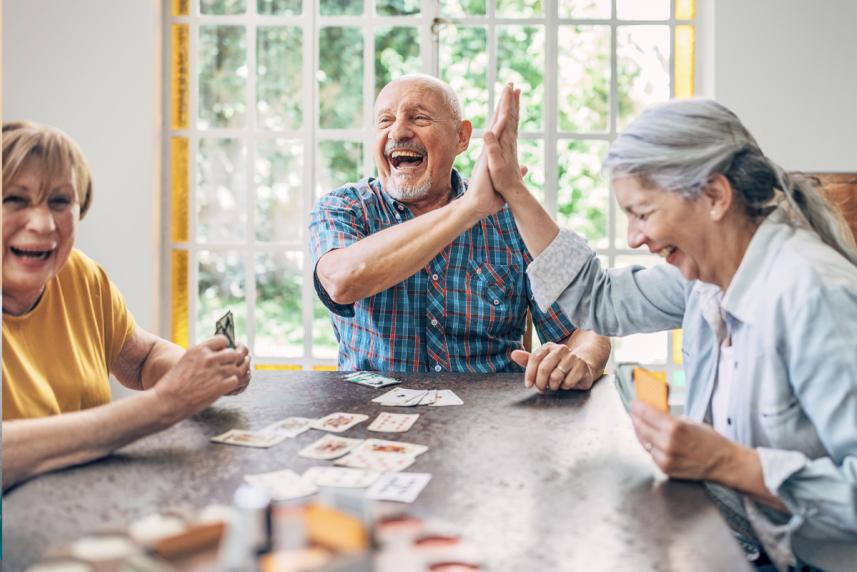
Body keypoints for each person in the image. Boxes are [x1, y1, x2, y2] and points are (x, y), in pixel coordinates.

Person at [480, 86, 857, 569]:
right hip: (743, 545)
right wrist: (513, 188)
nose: (635, 238)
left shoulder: (814, 295)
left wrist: (726, 463)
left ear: (716, 196)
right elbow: (599, 299)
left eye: (643, 213)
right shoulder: (706, 281)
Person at [309, 74, 610, 387]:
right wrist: (469, 209)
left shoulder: (513, 220)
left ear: (461, 137)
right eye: (384, 120)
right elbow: (342, 281)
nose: (398, 131)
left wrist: (579, 361)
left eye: (419, 118)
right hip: (370, 416)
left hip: (488, 421)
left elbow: (586, 326)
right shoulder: (345, 208)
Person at [2, 121, 253, 490]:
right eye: (14, 199)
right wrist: (164, 404)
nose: (43, 224)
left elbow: (141, 359)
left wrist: (199, 374)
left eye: (60, 201)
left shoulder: (79, 275)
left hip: (81, 503)